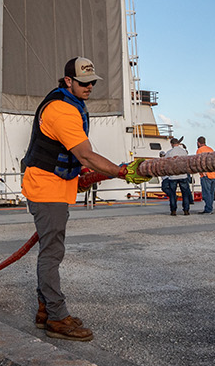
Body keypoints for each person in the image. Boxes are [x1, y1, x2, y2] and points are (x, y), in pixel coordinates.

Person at [21, 57, 133, 342]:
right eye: (83, 82)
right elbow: (85, 154)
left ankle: (45, 310)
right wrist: (121, 172)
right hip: (47, 190)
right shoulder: (62, 111)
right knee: (52, 253)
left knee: (51, 249)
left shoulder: (68, 105)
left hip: (53, 186)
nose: (90, 86)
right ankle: (57, 318)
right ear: (68, 81)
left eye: (92, 81)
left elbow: (69, 154)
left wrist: (77, 175)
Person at [160, 137, 193, 216]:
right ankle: (186, 210)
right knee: (185, 193)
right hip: (183, 175)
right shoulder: (184, 152)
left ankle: (173, 210)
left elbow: (166, 163)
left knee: (172, 193)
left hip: (173, 176)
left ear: (172, 144)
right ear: (178, 144)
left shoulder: (169, 153)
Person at [196, 136, 215, 214]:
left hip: (206, 175)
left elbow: (199, 162)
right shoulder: (210, 149)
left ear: (198, 143)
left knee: (206, 193)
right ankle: (209, 208)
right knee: (211, 193)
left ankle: (208, 209)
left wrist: (203, 172)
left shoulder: (199, 150)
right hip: (214, 174)